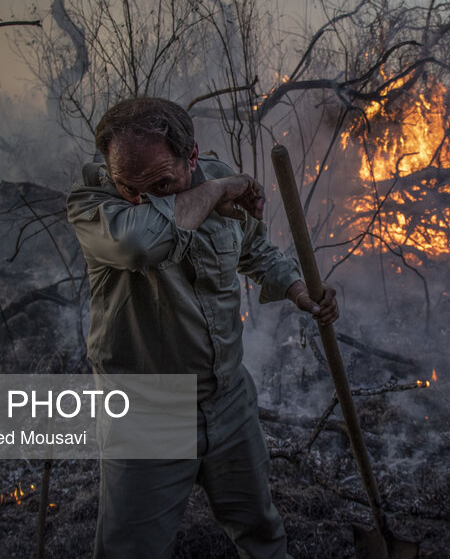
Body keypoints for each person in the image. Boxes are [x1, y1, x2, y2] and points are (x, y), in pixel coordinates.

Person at [66, 96, 338, 558]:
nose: (141, 199)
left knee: (263, 532)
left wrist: (298, 289)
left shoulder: (215, 181)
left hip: (228, 399)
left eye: (160, 184)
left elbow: (255, 251)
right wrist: (214, 191)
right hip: (147, 415)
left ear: (192, 155)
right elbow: (140, 243)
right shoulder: (93, 204)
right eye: (128, 187)